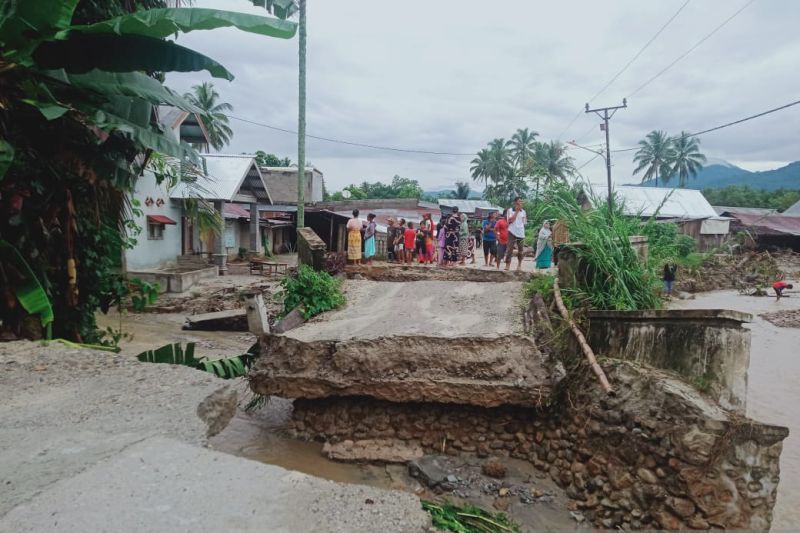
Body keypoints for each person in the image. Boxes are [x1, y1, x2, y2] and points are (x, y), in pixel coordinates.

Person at [505, 197, 527, 271]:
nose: (521, 203)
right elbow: (510, 221)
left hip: (520, 232)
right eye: (519, 201)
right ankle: (507, 264)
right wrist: (517, 211)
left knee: (521, 250)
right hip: (511, 231)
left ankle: (519, 265)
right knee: (509, 249)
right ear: (515, 203)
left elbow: (524, 223)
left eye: (521, 201)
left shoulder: (524, 212)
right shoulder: (510, 210)